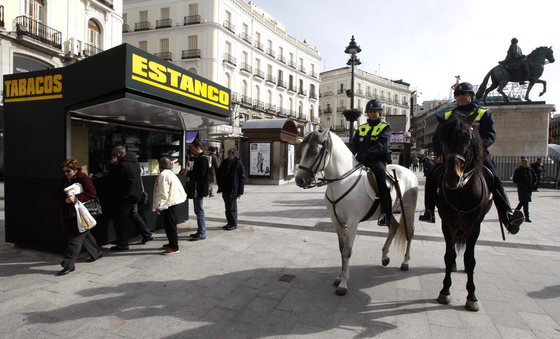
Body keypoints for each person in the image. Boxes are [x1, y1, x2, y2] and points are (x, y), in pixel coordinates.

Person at [418, 82, 524, 234]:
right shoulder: (448, 115)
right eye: (458, 95)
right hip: (454, 156)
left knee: (494, 179)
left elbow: (490, 135)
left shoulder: (483, 112)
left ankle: (507, 216)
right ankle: (429, 211)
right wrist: (440, 153)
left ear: (471, 96)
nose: (461, 97)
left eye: (464, 94)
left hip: (477, 156)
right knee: (432, 176)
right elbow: (438, 138)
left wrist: (478, 148)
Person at [53, 159, 103, 276]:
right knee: (84, 234)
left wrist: (76, 198)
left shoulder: (83, 178)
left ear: (75, 170)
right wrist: (64, 199)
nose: (66, 173)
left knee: (75, 239)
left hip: (81, 212)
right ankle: (96, 253)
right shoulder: (65, 179)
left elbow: (92, 193)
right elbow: (56, 194)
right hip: (69, 213)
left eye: (68, 171)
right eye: (64, 171)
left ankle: (68, 264)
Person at [350, 99, 392, 226]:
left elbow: (382, 146)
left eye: (375, 111)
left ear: (379, 113)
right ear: (367, 113)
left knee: (382, 183)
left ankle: (387, 214)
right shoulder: (362, 128)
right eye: (370, 111)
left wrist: (365, 154)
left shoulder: (385, 127)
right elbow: (354, 145)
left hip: (376, 161)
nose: (373, 114)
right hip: (360, 161)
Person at [108, 145, 153, 251]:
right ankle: (146, 234)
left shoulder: (121, 165)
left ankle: (123, 243)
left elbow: (113, 179)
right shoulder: (134, 161)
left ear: (117, 155)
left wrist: (112, 165)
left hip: (126, 197)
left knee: (120, 220)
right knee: (134, 215)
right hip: (135, 195)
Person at [153, 157, 187, 254]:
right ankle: (171, 243)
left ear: (160, 166)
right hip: (173, 201)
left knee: (170, 224)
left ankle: (174, 246)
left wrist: (159, 205)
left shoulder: (163, 175)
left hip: (170, 202)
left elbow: (162, 192)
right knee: (169, 224)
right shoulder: (170, 173)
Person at [186, 139, 209, 241]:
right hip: (198, 188)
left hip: (199, 188)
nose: (191, 151)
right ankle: (200, 231)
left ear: (198, 148)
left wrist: (189, 173)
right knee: (197, 210)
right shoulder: (198, 158)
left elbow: (201, 175)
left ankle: (202, 233)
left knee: (199, 210)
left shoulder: (202, 159)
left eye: (192, 149)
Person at [217, 148, 245, 231]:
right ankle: (229, 222)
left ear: (234, 155)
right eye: (228, 154)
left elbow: (242, 179)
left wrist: (240, 191)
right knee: (227, 208)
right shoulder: (225, 162)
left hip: (233, 189)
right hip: (225, 188)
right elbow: (219, 172)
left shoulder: (238, 164)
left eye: (231, 154)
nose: (229, 156)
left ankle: (234, 223)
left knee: (232, 208)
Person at [513, 158, 536, 223]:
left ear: (528, 163)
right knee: (523, 202)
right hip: (522, 189)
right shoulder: (518, 170)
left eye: (526, 163)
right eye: (523, 163)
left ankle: (517, 215)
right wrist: (521, 184)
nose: (524, 164)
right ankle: (526, 217)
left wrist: (533, 185)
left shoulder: (530, 170)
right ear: (521, 163)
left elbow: (534, 178)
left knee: (524, 202)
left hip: (528, 189)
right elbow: (515, 180)